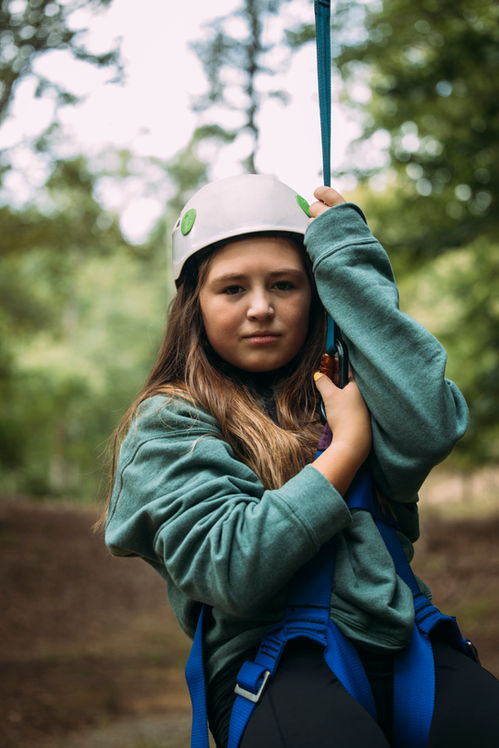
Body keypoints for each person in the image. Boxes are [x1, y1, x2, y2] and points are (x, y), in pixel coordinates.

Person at [103, 174, 499, 747]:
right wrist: (343, 454)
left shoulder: (350, 389)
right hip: (269, 661)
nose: (261, 308)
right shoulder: (170, 423)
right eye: (232, 289)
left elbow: (432, 426)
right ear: (194, 304)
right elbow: (231, 566)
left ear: (315, 293)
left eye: (285, 284)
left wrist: (348, 262)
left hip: (403, 638)